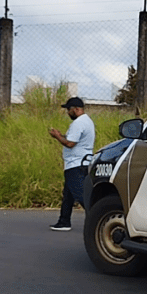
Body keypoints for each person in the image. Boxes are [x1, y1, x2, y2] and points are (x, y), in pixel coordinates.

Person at [48, 97, 97, 231]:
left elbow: (70, 143)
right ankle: (64, 221)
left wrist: (57, 136)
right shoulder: (87, 121)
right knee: (68, 195)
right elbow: (74, 139)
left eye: (68, 110)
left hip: (76, 164)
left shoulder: (78, 123)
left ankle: (98, 219)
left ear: (76, 109)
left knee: (80, 194)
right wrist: (61, 135)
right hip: (81, 162)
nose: (67, 113)